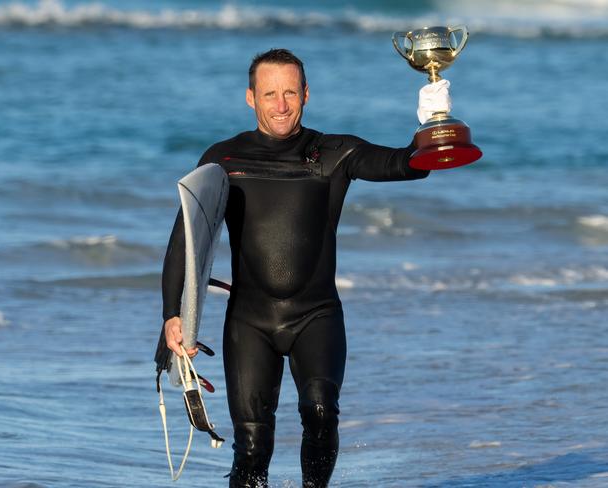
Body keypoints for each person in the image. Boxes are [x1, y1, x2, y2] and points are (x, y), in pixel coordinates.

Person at [161, 48, 449, 487]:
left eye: (290, 92)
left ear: (306, 94)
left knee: (319, 412)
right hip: (249, 321)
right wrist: (174, 314)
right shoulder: (223, 159)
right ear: (250, 98)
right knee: (252, 446)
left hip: (316, 315)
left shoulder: (335, 153)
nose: (280, 104)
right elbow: (186, 238)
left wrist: (432, 122)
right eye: (270, 93)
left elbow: (407, 165)